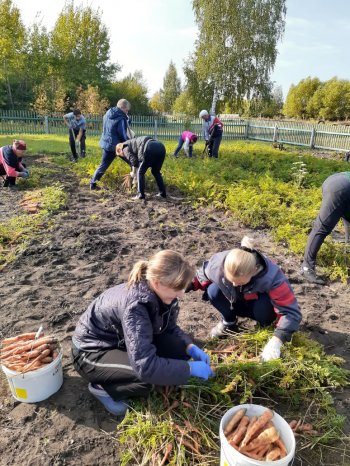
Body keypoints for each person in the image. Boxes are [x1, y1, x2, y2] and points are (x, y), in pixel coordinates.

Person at [71, 250, 214, 416]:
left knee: (178, 350)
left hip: (122, 341)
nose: (182, 294)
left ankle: (124, 372)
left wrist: (189, 347)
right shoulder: (136, 306)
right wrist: (188, 369)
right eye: (177, 289)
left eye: (183, 288)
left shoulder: (163, 294)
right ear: (157, 282)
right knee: (149, 380)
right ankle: (102, 388)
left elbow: (169, 327)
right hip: (91, 352)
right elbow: (144, 367)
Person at [188, 236, 301, 362]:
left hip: (257, 305)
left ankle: (266, 326)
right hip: (233, 301)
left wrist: (277, 339)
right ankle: (229, 323)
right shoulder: (217, 265)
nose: (235, 285)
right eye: (231, 281)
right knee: (213, 291)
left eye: (240, 282)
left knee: (264, 306)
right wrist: (182, 286)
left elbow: (291, 313)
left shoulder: (272, 277)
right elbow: (199, 277)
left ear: (254, 271)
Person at [301, 172, 350, 285]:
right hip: (341, 187)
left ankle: (346, 253)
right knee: (322, 228)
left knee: (345, 215)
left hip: (335, 179)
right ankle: (306, 268)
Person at [90, 99, 131, 190]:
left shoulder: (108, 113)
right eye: (127, 110)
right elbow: (122, 134)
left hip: (106, 143)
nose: (127, 112)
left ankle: (93, 184)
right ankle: (136, 183)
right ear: (122, 107)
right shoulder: (121, 118)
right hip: (117, 146)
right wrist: (129, 143)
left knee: (103, 165)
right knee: (133, 162)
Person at [116, 136, 167, 200]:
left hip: (149, 147)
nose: (123, 156)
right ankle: (163, 193)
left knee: (140, 172)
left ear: (119, 150)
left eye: (121, 155)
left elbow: (134, 162)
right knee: (156, 171)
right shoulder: (130, 143)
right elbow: (136, 161)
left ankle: (140, 195)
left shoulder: (124, 148)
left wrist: (133, 173)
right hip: (161, 147)